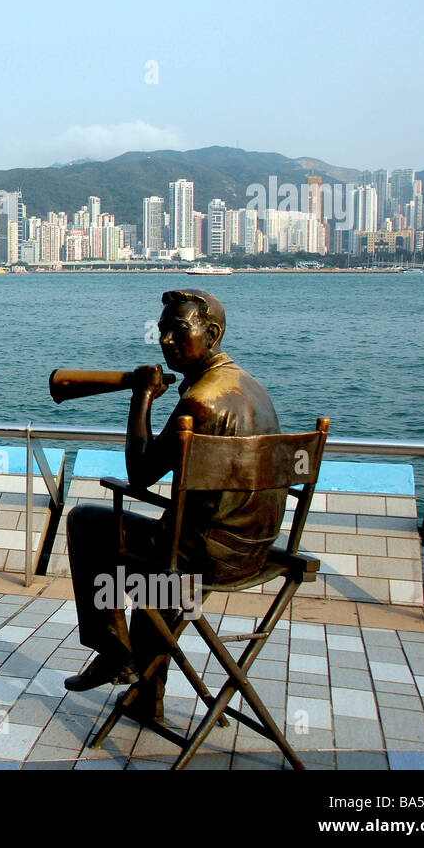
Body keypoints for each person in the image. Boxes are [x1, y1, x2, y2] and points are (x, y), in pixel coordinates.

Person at [62, 289, 285, 712]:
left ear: (212, 332)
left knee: (86, 524)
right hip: (254, 551)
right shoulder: (250, 388)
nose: (165, 340)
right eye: (162, 330)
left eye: (177, 330)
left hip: (207, 556)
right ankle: (147, 695)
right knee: (157, 575)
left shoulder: (200, 401)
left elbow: (140, 474)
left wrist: (141, 396)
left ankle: (113, 651)